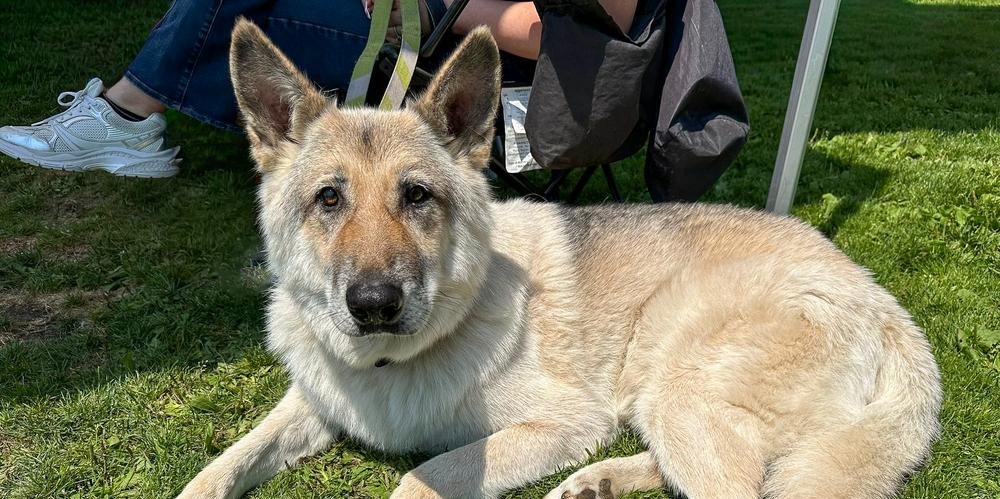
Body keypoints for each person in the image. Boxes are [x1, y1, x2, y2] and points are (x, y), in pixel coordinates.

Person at [0, 0, 636, 178]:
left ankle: (126, 114)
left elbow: (568, 32)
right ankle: (129, 110)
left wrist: (439, 4)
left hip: (451, 53)